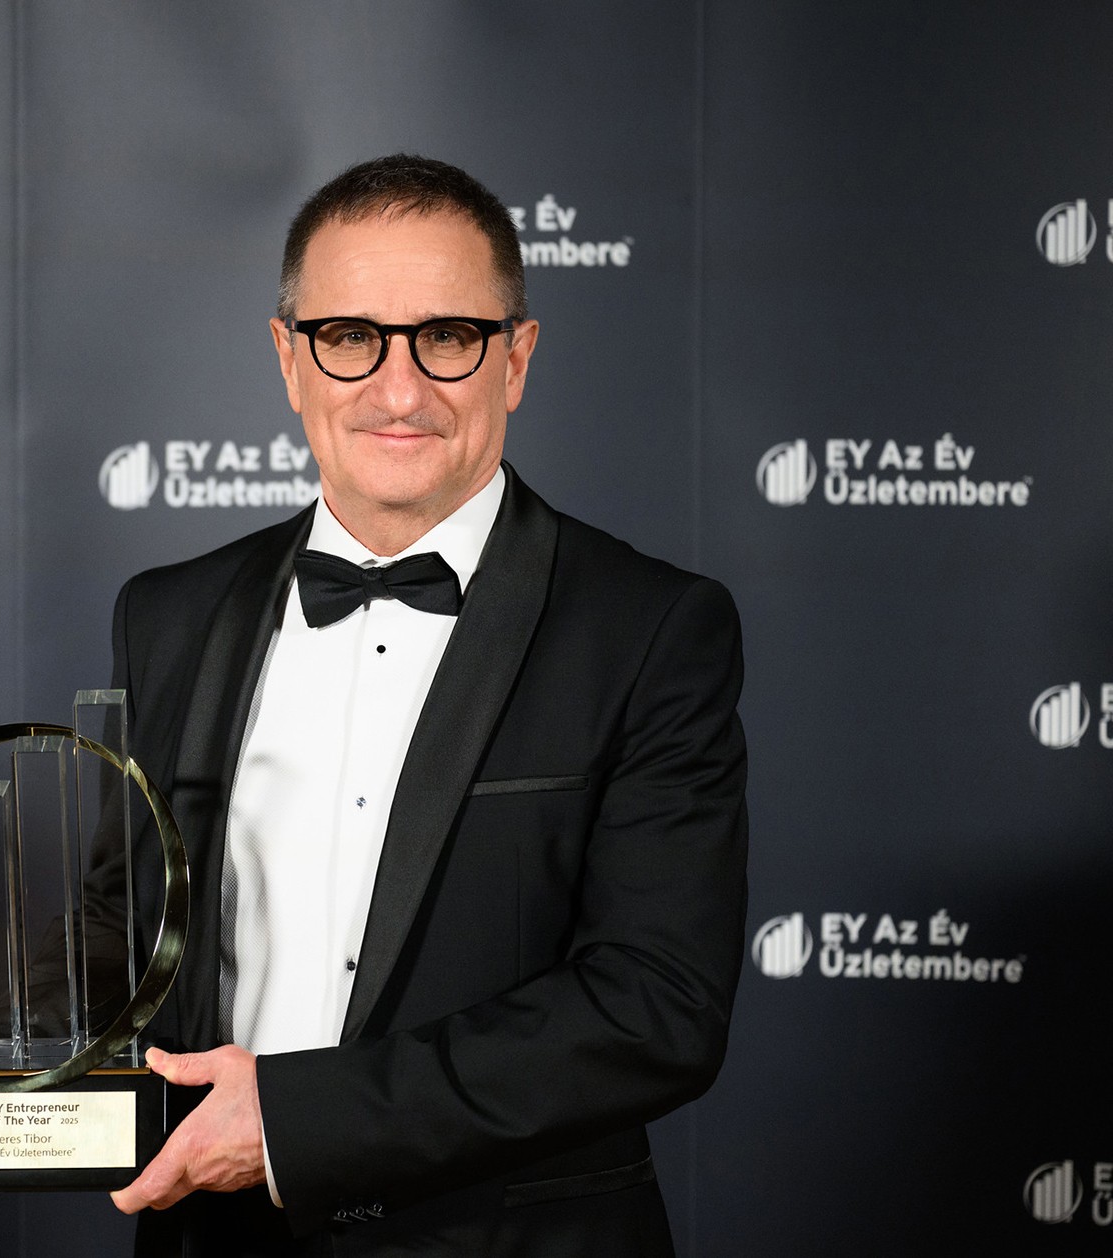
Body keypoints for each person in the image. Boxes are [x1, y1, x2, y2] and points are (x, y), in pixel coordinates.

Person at [97, 154, 749, 1255]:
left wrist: (295, 1124)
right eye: (350, 337)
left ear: (516, 359)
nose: (398, 392)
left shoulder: (650, 628)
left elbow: (656, 1008)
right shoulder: (168, 614)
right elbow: (123, 925)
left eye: (446, 338)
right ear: (289, 359)